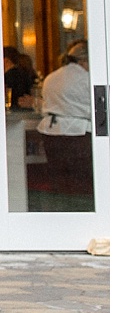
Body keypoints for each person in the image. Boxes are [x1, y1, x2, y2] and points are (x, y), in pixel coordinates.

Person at [36, 40, 92, 198]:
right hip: (78, 133)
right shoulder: (87, 78)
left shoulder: (51, 77)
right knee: (82, 184)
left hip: (51, 133)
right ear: (83, 60)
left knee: (59, 182)